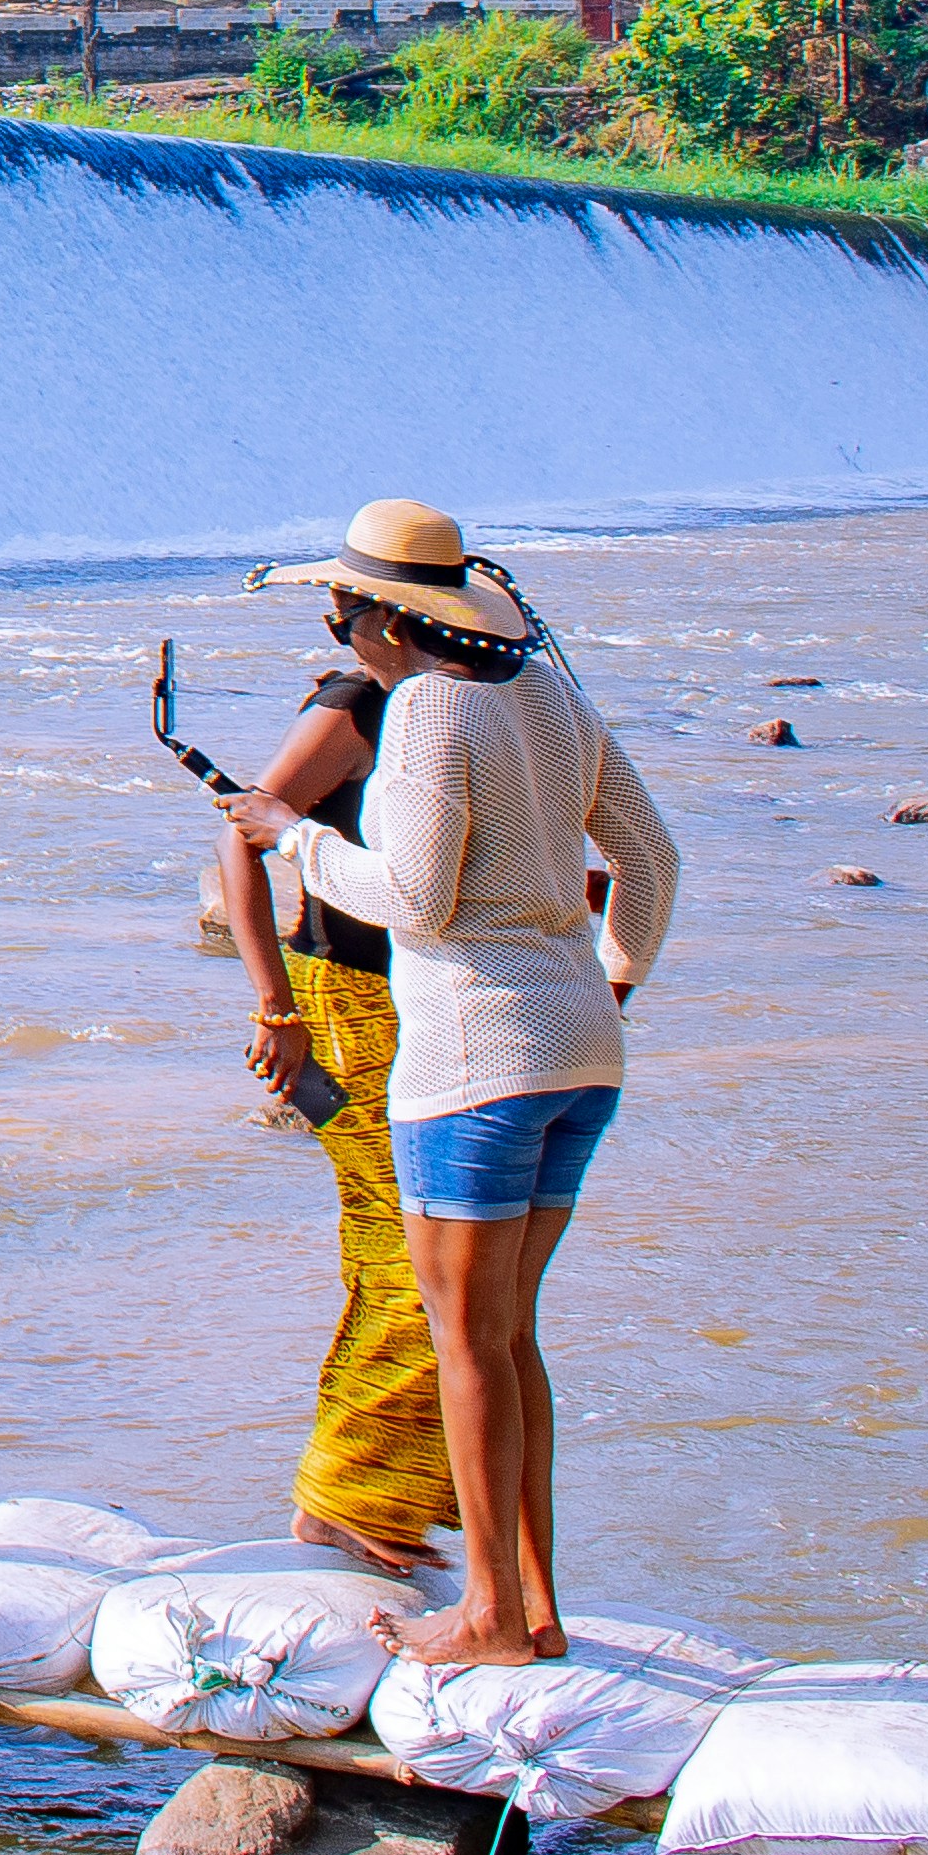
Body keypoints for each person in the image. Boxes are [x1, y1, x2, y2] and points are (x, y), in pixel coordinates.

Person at [216, 497, 678, 1670]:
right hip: (581, 1052)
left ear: (385, 620)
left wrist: (291, 835)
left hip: (472, 1062)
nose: (339, 627)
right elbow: (651, 858)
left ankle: (486, 1618)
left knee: (464, 1340)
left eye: (342, 609)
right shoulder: (554, 698)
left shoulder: (423, 708)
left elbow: (413, 899)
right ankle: (532, 1602)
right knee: (510, 1338)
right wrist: (614, 975)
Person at [216, 657, 457, 1575]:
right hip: (345, 998)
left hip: (411, 996)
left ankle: (383, 1499)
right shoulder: (354, 703)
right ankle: (346, 1498)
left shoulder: (447, 706)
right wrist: (275, 1007)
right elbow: (239, 833)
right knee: (416, 1247)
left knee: (393, 1245)